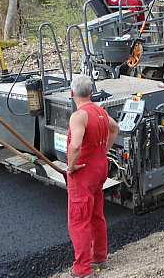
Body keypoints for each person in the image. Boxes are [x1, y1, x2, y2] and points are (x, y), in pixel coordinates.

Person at [65, 75, 119, 277]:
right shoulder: (100, 111)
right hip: (100, 167)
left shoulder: (78, 116)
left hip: (84, 171)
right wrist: (103, 150)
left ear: (72, 94)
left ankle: (82, 270)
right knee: (96, 213)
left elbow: (76, 144)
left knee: (78, 219)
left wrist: (71, 166)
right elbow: (115, 128)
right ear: (90, 92)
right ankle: (99, 258)